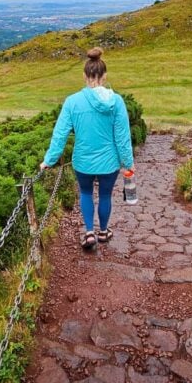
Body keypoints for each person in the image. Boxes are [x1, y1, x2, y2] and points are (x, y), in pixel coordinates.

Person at [40, 47, 134, 249]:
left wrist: (49, 160)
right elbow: (123, 136)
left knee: (85, 193)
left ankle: (89, 232)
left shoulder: (72, 101)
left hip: (82, 161)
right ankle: (103, 231)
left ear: (84, 76)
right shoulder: (117, 101)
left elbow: (60, 134)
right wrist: (128, 163)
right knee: (106, 195)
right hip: (109, 161)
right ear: (105, 76)